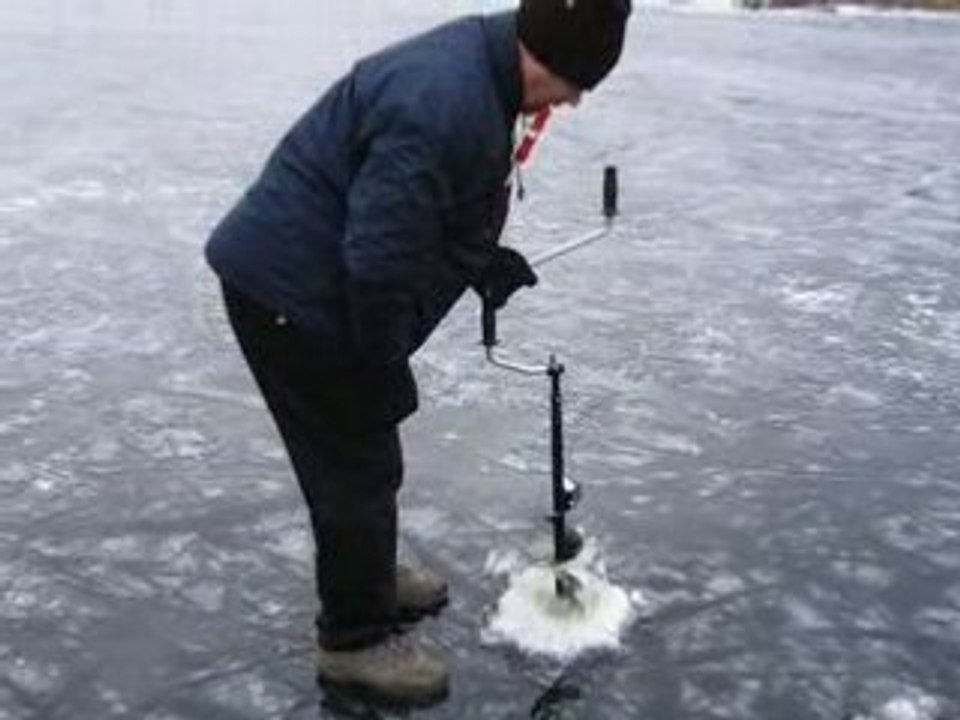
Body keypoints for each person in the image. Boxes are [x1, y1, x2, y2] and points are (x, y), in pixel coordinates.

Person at [205, 0, 631, 707]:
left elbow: (428, 211)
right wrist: (378, 368)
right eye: (575, 80)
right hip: (292, 292)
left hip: (314, 275)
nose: (576, 100)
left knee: (365, 457)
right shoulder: (446, 101)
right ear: (543, 53)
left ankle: (365, 579)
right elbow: (377, 259)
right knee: (357, 465)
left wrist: (477, 261)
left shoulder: (481, 74)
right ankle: (354, 642)